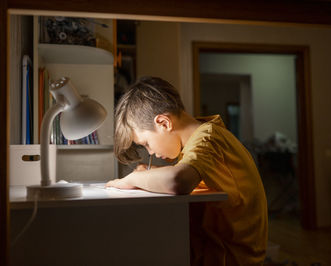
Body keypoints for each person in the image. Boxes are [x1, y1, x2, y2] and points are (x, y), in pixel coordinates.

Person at [106, 76, 268, 265]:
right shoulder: (204, 137)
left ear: (164, 123)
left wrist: (131, 179)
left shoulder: (207, 139)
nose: (151, 153)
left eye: (146, 144)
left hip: (230, 259)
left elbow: (177, 181)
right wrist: (152, 173)